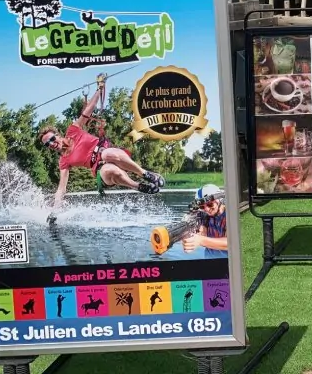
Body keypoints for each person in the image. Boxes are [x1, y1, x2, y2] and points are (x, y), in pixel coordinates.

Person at [39, 74, 165, 214]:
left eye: (51, 139)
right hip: (99, 168)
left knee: (107, 153)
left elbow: (89, 109)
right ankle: (138, 186)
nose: (51, 144)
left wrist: (99, 88)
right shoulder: (63, 161)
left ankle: (145, 174)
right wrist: (54, 211)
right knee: (110, 170)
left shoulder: (73, 130)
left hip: (109, 153)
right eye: (47, 144)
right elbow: (61, 188)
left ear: (57, 135)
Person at [182, 184, 228, 259]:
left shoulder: (230, 214)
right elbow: (202, 232)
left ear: (219, 200)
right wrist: (190, 238)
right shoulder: (204, 215)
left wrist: (200, 240)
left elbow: (231, 243)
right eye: (202, 206)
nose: (206, 209)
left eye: (210, 204)